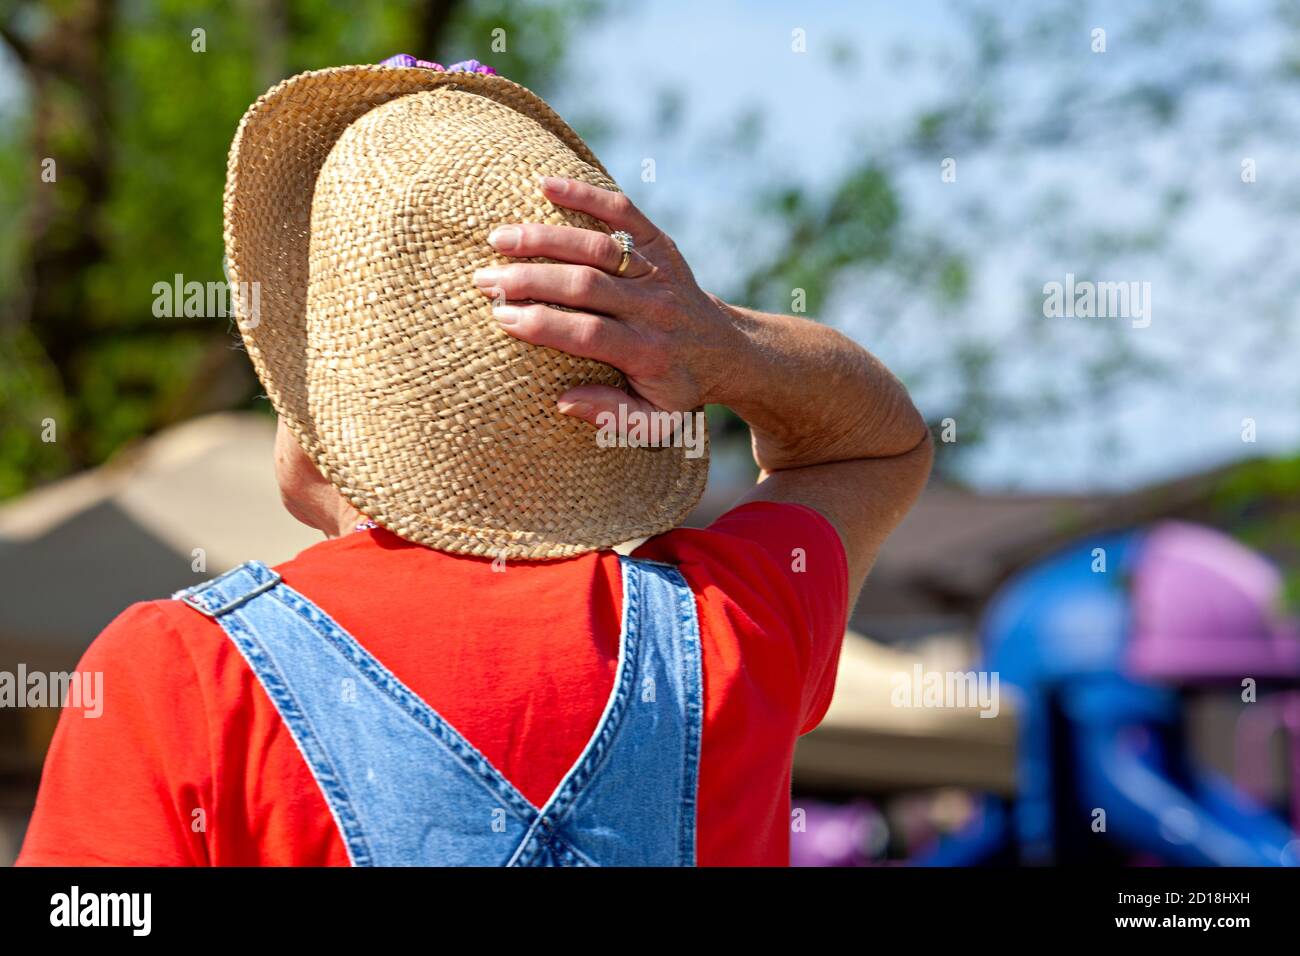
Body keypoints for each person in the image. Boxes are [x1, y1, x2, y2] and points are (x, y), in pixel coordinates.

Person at [18, 55, 930, 866]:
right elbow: (876, 441)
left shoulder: (182, 673)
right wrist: (724, 341)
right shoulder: (727, 627)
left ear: (312, 404)